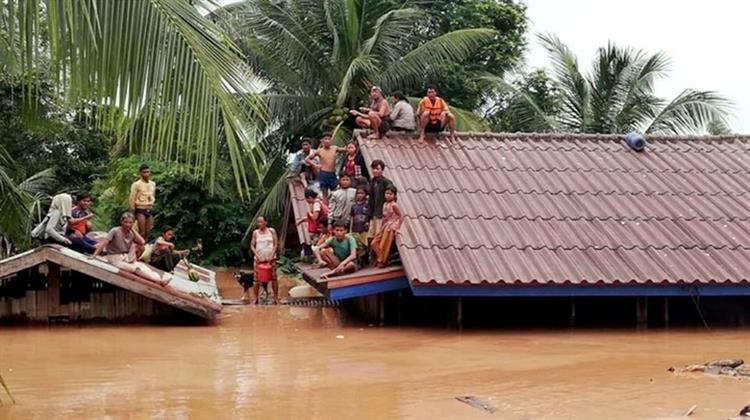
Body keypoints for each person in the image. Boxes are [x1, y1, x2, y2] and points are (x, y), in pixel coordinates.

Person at [92, 212, 166, 285]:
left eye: (130, 223)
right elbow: (104, 243)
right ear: (121, 222)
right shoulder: (115, 230)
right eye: (126, 222)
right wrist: (94, 255)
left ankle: (160, 279)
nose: (127, 224)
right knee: (136, 269)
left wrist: (132, 230)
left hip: (125, 257)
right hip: (114, 258)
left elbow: (142, 242)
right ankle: (158, 281)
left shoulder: (131, 233)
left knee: (142, 266)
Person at [370, 185, 403, 268]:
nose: (388, 195)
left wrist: (398, 228)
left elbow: (400, 216)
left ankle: (382, 261)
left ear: (394, 195)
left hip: (391, 226)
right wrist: (381, 227)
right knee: (374, 243)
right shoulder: (384, 204)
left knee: (385, 243)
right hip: (385, 225)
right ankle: (381, 258)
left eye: (390, 194)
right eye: (387, 193)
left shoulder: (394, 205)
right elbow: (384, 218)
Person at [305, 132, 345, 199]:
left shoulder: (334, 148)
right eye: (325, 139)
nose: (327, 141)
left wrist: (349, 147)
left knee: (335, 191)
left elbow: (345, 149)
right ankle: (325, 205)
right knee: (324, 192)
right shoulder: (319, 151)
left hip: (332, 173)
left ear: (331, 140)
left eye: (329, 139)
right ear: (322, 141)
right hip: (324, 173)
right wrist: (315, 165)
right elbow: (307, 159)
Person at [250, 216, 279, 304]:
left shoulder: (271, 231)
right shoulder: (255, 233)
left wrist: (272, 254)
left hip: (271, 259)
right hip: (259, 260)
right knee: (256, 280)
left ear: (265, 222)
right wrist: (256, 255)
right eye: (258, 222)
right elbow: (252, 245)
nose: (259, 224)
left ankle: (276, 297)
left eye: (261, 222)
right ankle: (256, 298)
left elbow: (275, 244)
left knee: (274, 278)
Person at [367, 160, 393, 244]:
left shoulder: (386, 182)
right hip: (373, 213)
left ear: (382, 170)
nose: (375, 171)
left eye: (377, 169)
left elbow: (391, 195)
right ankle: (371, 255)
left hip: (381, 213)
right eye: (373, 169)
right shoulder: (372, 181)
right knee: (370, 236)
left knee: (378, 237)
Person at [129, 164, 156, 241]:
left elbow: (153, 195)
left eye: (148, 172)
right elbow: (132, 198)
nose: (146, 174)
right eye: (144, 172)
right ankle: (137, 247)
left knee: (148, 231)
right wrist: (132, 211)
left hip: (149, 208)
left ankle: (145, 247)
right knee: (142, 231)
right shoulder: (136, 184)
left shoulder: (153, 184)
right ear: (140, 173)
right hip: (140, 208)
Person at [350, 187, 370, 266]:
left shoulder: (367, 205)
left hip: (364, 229)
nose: (360, 195)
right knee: (358, 246)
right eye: (358, 193)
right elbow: (351, 218)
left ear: (365, 194)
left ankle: (367, 261)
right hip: (356, 229)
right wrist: (350, 229)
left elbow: (369, 216)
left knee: (365, 245)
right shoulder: (353, 206)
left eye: (362, 193)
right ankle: (360, 262)